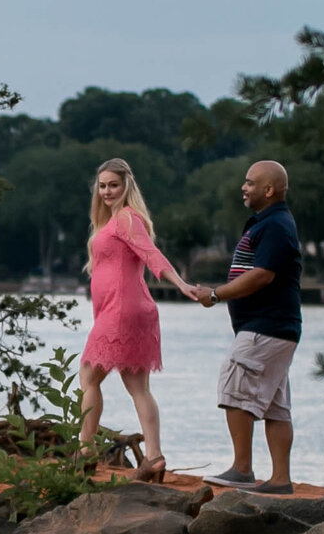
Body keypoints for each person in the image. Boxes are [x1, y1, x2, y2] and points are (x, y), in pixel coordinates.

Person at [77, 157, 199, 482]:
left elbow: (151, 254)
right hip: (130, 310)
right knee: (138, 388)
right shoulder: (112, 220)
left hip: (122, 312)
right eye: (102, 186)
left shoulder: (127, 220)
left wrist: (182, 284)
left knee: (88, 379)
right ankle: (154, 457)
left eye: (113, 185)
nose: (106, 191)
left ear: (126, 186)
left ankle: (85, 452)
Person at [196, 159, 302, 493]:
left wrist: (215, 294)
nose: (244, 187)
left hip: (265, 327)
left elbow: (262, 275)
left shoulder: (274, 226)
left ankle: (242, 470)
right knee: (274, 404)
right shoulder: (270, 223)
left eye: (250, 183)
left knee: (235, 390)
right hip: (276, 328)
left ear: (269, 190)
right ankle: (280, 480)